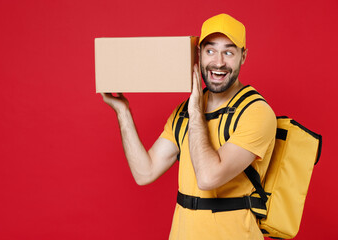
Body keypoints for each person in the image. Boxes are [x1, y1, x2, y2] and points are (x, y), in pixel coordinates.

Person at [101, 13, 276, 240]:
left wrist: (195, 111)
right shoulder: (186, 111)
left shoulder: (256, 113)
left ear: (243, 56)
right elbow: (145, 172)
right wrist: (123, 111)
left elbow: (208, 178)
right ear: (198, 54)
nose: (219, 62)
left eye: (229, 52)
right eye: (210, 50)